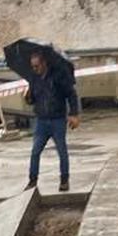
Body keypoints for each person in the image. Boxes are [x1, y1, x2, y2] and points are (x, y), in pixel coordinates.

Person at [24, 48, 79, 191]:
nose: (35, 69)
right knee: (35, 151)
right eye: (33, 67)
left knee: (61, 150)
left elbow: (71, 95)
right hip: (41, 120)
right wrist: (29, 96)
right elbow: (32, 100)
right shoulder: (34, 79)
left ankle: (64, 180)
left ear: (44, 64)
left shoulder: (58, 76)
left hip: (57, 120)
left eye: (37, 66)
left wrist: (74, 114)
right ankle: (32, 180)